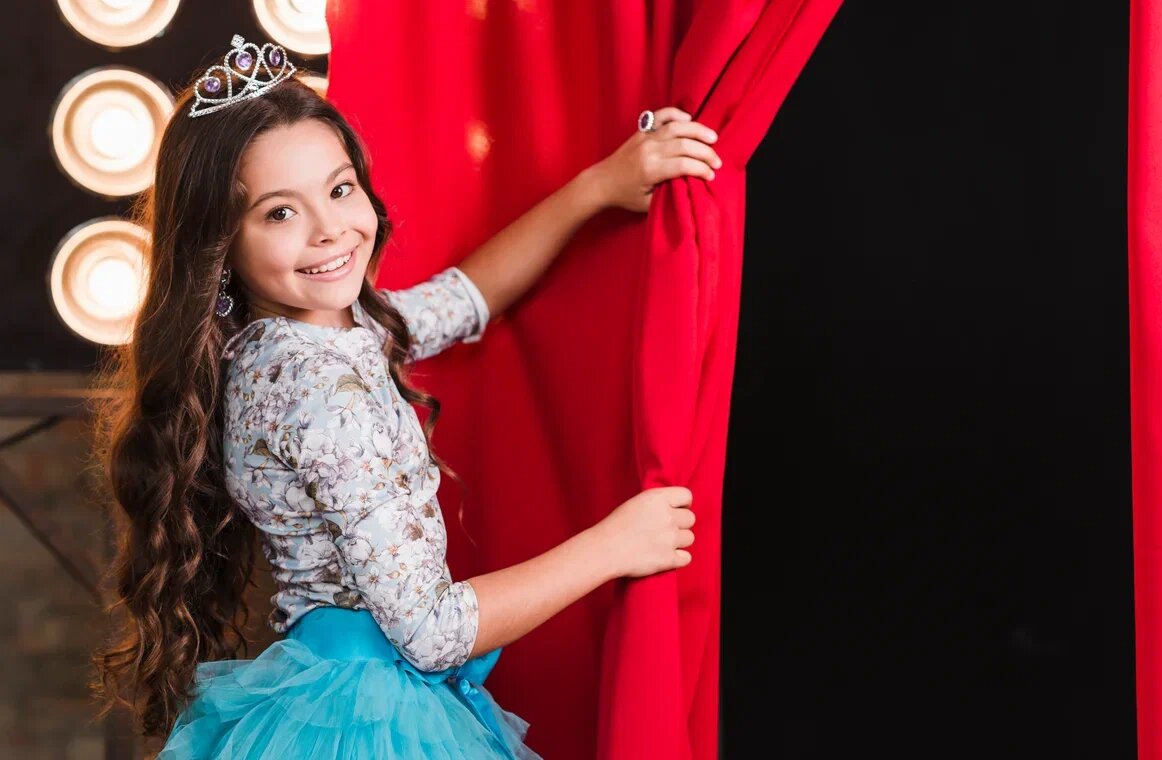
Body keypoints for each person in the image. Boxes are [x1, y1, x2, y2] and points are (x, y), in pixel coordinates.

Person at [89, 35, 719, 759]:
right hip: (368, 716)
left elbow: (466, 297)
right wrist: (613, 546)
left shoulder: (309, 336)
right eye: (279, 213)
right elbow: (433, 632)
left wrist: (597, 188)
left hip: (337, 691)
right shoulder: (320, 389)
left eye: (339, 188)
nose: (330, 229)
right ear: (219, 245)